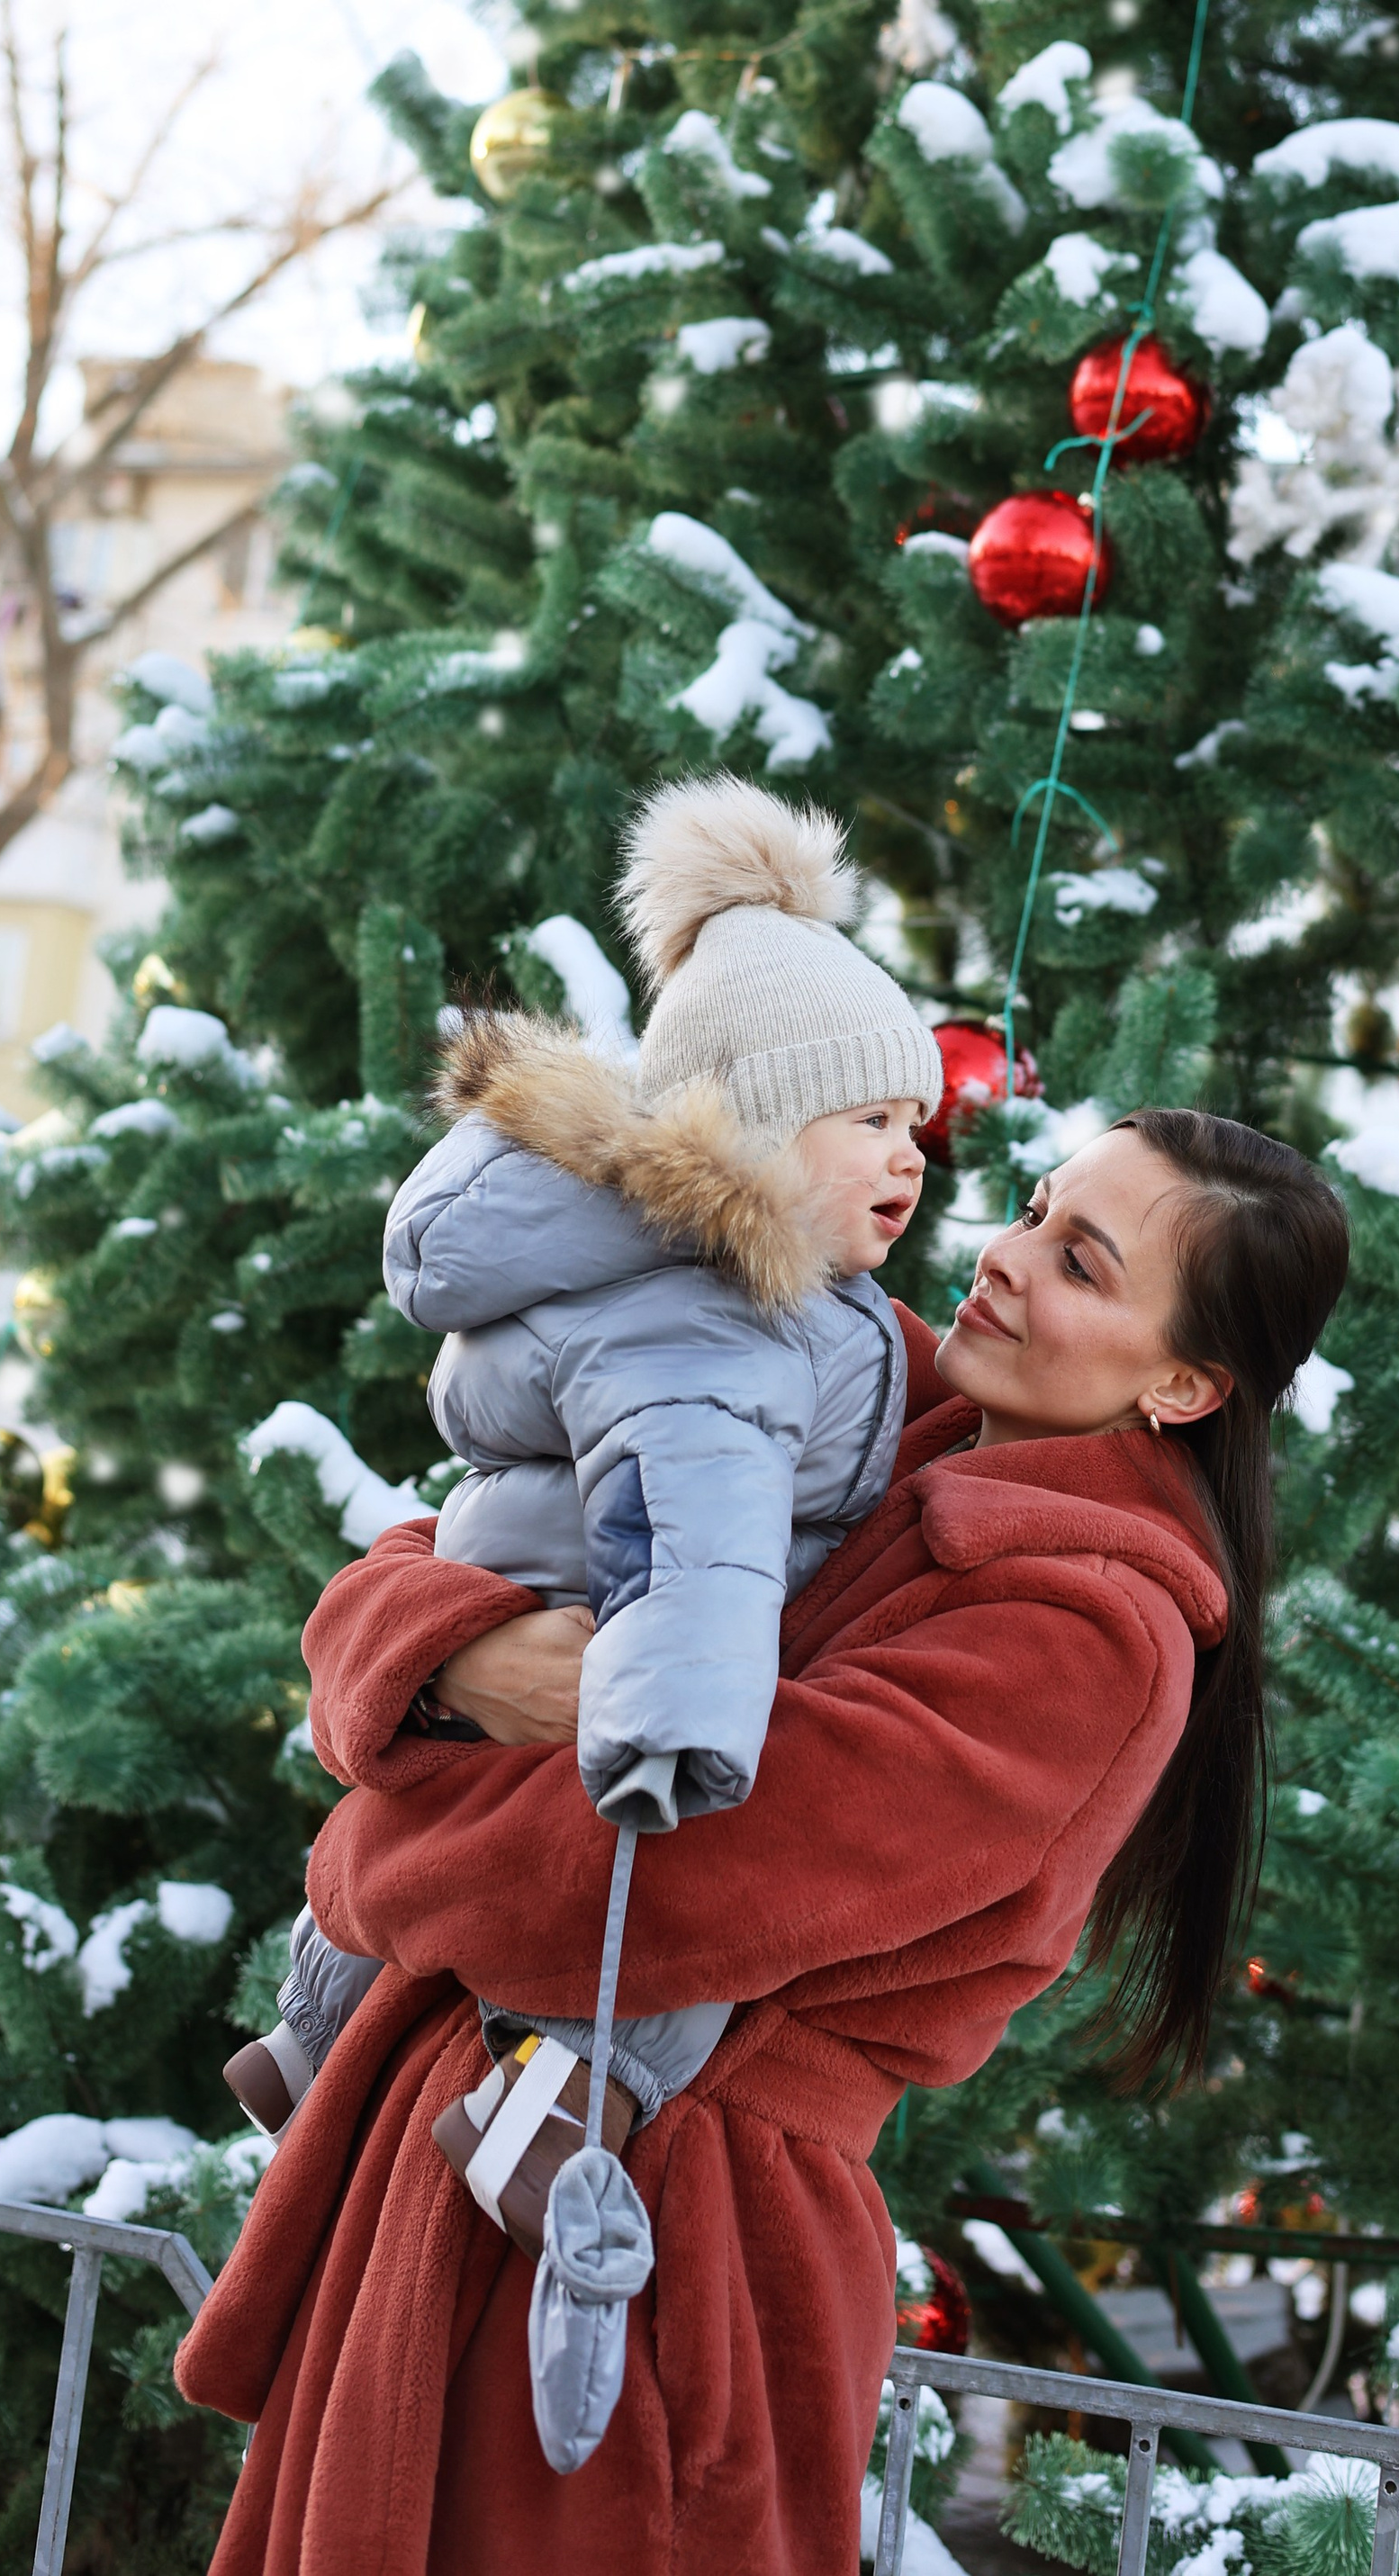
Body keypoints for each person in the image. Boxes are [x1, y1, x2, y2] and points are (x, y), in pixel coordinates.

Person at [177, 1100, 1349, 2576]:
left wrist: (363, 1853)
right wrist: (459, 1656)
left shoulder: (1085, 1636)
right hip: (480, 2144)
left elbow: (652, 1882)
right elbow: (451, 1538)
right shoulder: (859, 1377)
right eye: (1037, 1206)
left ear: (1182, 1383)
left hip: (657, 2242)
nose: (1001, 1256)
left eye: (1081, 1262)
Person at [226, 774, 943, 2224]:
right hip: (614, 1634)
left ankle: (311, 2022)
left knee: (433, 1828)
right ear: (754, 1127)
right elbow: (701, 1529)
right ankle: (559, 2105)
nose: (911, 1154)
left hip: (521, 1576)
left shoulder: (669, 1271)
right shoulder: (725, 1317)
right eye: (870, 1116)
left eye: (918, 1121)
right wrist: (675, 1723)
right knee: (692, 1906)